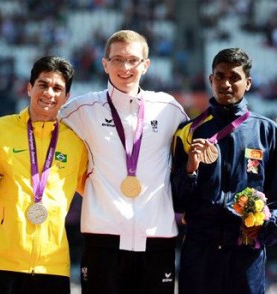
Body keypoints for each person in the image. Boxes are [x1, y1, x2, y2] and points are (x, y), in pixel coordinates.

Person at [59, 30, 188, 294]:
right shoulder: (81, 109)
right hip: (103, 239)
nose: (125, 67)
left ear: (146, 65)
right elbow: (38, 129)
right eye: (117, 60)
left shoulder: (169, 109)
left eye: (133, 60)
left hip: (157, 238)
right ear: (104, 64)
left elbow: (188, 158)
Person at [0, 56, 88, 294]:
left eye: (57, 88)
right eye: (43, 84)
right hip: (1, 262)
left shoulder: (76, 143)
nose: (49, 93)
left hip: (52, 266)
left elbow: (94, 189)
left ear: (66, 97)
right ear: (29, 88)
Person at [171, 48, 277, 294]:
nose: (226, 83)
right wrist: (189, 171)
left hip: (246, 255)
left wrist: (266, 225)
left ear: (248, 83)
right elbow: (176, 200)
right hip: (200, 253)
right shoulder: (188, 131)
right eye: (219, 76)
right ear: (210, 80)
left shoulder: (268, 133)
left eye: (234, 77)